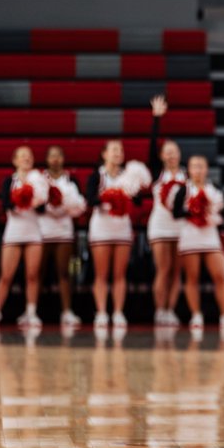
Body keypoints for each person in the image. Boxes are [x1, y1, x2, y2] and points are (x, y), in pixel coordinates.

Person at [172, 155, 224, 332]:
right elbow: (175, 213)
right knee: (192, 277)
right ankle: (196, 316)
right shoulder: (183, 190)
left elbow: (222, 213)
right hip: (190, 236)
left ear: (206, 169)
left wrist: (208, 213)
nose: (197, 169)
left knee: (220, 276)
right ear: (188, 169)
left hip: (210, 236)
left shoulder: (215, 189)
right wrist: (193, 211)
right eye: (194, 166)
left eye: (200, 166)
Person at [85, 140, 150, 331]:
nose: (118, 153)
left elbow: (138, 202)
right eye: (114, 150)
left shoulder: (128, 176)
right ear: (104, 154)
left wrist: (132, 193)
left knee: (120, 273)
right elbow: (90, 199)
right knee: (101, 273)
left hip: (121, 226)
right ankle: (101, 312)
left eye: (121, 150)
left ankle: (118, 312)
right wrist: (110, 198)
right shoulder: (98, 175)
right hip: (101, 227)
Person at [0, 146, 49, 329]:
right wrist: (22, 197)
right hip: (14, 230)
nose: (26, 159)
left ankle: (31, 312)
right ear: (15, 160)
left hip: (33, 230)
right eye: (22, 156)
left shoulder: (39, 181)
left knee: (32, 275)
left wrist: (34, 198)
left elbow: (43, 207)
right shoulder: (9, 181)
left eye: (29, 156)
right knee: (6, 275)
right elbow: (5, 204)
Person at [147, 95, 187, 327]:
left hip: (180, 227)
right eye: (167, 151)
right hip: (160, 225)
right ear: (162, 156)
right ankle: (159, 310)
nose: (171, 154)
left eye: (175, 151)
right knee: (163, 269)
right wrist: (156, 119)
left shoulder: (186, 175)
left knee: (176, 272)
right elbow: (151, 146)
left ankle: (171, 310)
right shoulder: (156, 173)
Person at [40, 144, 87, 327]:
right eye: (52, 155)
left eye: (59, 155)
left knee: (66, 273)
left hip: (65, 233)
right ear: (46, 159)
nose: (55, 159)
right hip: (42, 232)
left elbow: (79, 206)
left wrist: (64, 204)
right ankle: (32, 311)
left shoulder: (71, 180)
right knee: (37, 273)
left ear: (63, 159)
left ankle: (67, 312)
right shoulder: (39, 180)